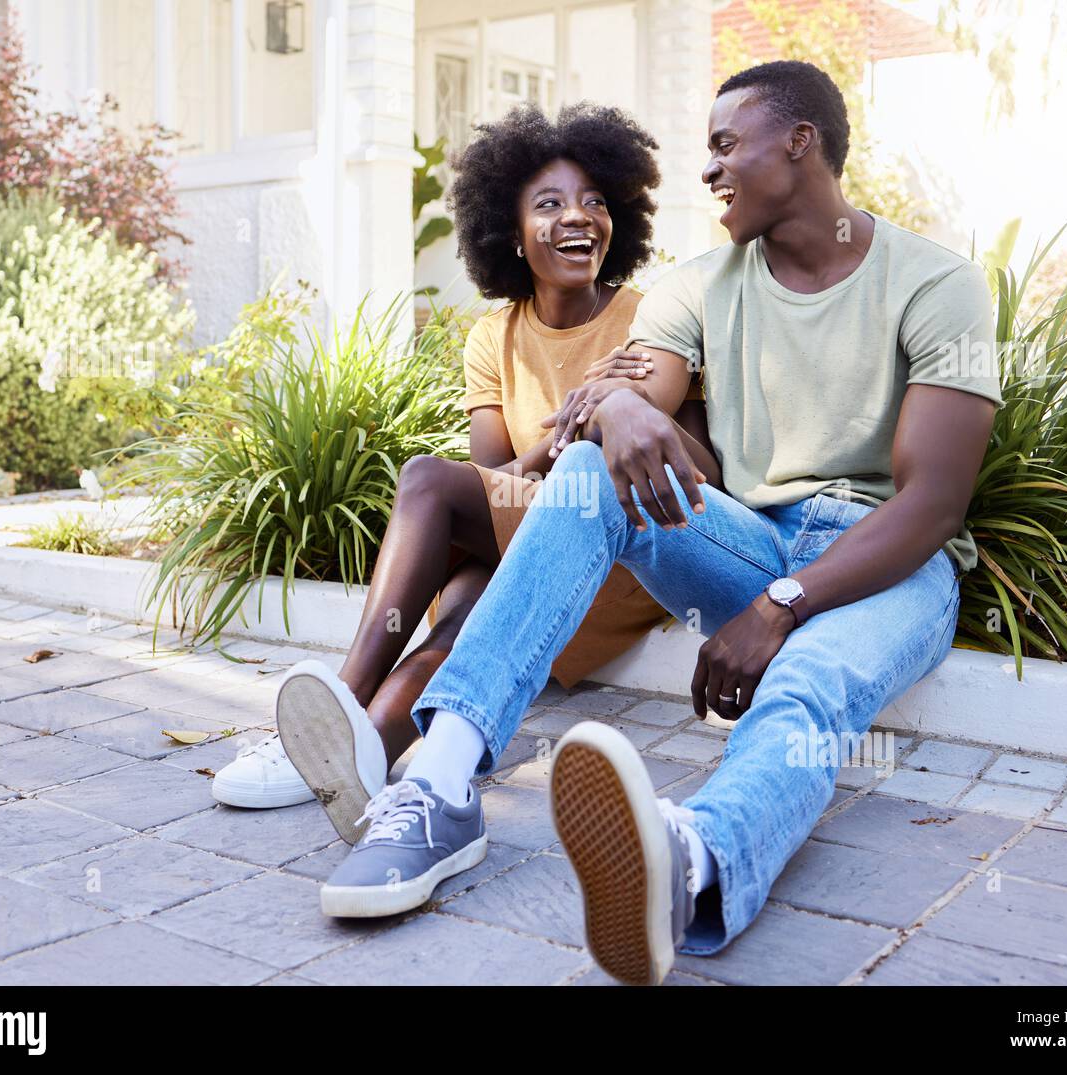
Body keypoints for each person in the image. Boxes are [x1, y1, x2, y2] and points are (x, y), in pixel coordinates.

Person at [302, 59, 1005, 984]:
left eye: (724, 146)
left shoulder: (937, 283)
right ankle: (438, 785)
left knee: (808, 684)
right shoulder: (698, 284)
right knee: (592, 471)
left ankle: (694, 859)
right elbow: (634, 383)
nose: (708, 171)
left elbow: (932, 505)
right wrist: (622, 409)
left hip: (886, 562)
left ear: (801, 144)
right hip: (750, 541)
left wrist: (784, 604)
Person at [212, 103, 720, 854]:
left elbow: (699, 473)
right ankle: (363, 748)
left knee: (424, 480)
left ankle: (340, 706)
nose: (578, 217)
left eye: (594, 202)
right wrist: (550, 452)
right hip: (525, 546)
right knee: (459, 610)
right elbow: (493, 481)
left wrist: (604, 422)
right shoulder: (495, 335)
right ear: (511, 233)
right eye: (549, 204)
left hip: (616, 551)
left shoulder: (651, 322)